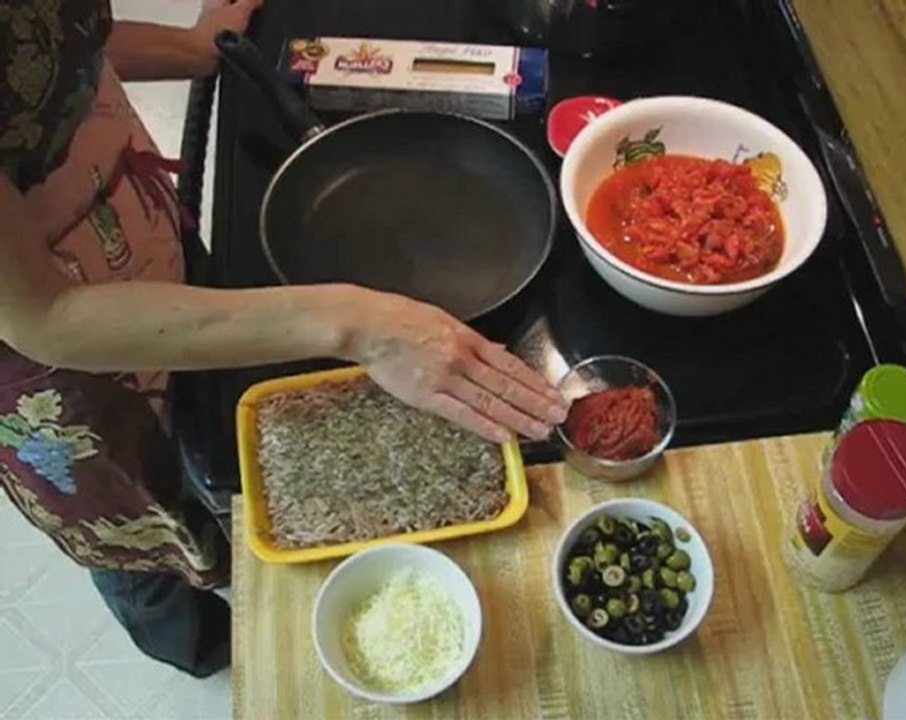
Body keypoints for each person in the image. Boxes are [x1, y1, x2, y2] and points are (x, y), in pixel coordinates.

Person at [0, 0, 566, 678]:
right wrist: (365, 326)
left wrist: (195, 49)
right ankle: (198, 647)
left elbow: (50, 51)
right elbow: (45, 316)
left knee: (208, 444)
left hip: (143, 245)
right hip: (58, 376)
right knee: (139, 528)